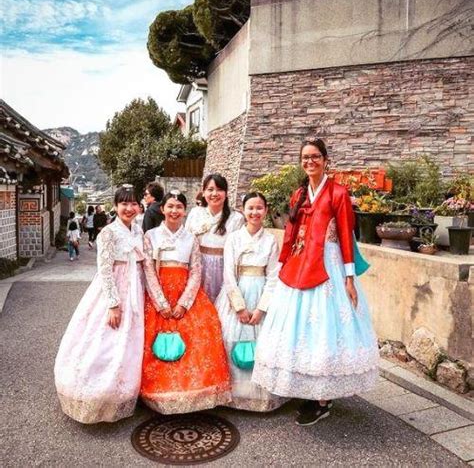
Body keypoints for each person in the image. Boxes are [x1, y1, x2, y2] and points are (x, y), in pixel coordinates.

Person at [252, 138, 379, 426]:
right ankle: (307, 388)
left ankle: (323, 398)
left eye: (315, 157)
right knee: (300, 327)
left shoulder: (337, 193)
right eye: (305, 157)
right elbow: (289, 232)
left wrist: (348, 278)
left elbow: (347, 234)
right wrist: (283, 262)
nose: (310, 162)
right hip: (299, 263)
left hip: (328, 264)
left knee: (324, 325)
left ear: (325, 159)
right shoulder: (299, 194)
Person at [54, 185, 145, 424]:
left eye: (133, 203)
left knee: (130, 341)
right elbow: (104, 270)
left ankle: (124, 390)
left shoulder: (138, 231)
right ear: (115, 206)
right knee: (104, 340)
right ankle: (96, 393)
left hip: (135, 287)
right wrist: (113, 304)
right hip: (113, 289)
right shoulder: (108, 232)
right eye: (124, 203)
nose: (129, 208)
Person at [141, 190, 231, 414]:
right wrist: (161, 303)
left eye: (179, 207)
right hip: (158, 294)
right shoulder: (150, 236)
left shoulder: (190, 238)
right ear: (162, 209)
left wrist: (184, 303)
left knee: (203, 334)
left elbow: (196, 272)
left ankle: (195, 393)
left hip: (185, 295)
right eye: (170, 206)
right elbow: (148, 271)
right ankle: (155, 394)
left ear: (185, 211)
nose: (174, 211)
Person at [215, 192, 285, 412]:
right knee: (231, 338)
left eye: (259, 208)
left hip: (262, 290)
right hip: (238, 291)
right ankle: (234, 393)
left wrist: (261, 308)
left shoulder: (271, 240)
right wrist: (240, 307)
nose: (255, 212)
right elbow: (228, 274)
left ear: (266, 210)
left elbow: (274, 275)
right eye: (250, 208)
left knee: (263, 342)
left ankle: (260, 395)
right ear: (243, 211)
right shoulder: (234, 239)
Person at [185, 174, 244, 302]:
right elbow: (186, 240)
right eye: (210, 189)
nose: (214, 193)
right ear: (204, 192)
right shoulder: (195, 213)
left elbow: (238, 249)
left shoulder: (236, 218)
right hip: (198, 265)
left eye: (219, 189)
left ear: (226, 193)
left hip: (224, 266)